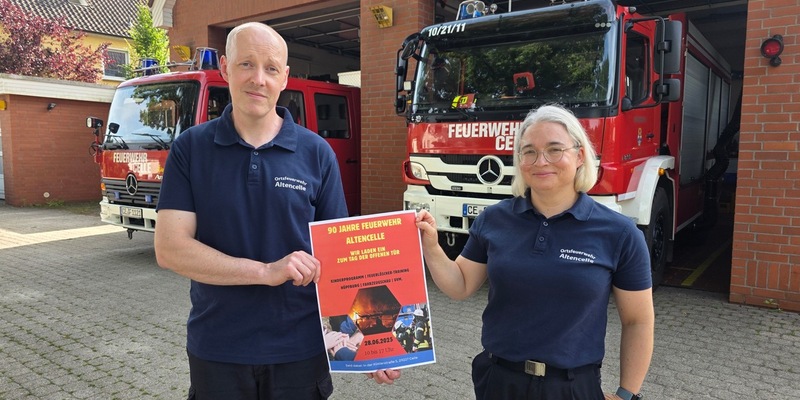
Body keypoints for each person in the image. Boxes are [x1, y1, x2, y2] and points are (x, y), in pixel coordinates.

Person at [153, 22, 398, 400]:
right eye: (246, 64)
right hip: (218, 348)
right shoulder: (191, 149)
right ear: (225, 68)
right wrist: (266, 272)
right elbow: (170, 249)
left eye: (270, 68)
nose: (258, 79)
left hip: (300, 351)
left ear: (284, 77)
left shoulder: (317, 152)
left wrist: (373, 344)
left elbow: (345, 258)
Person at [415, 104, 654, 400]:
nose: (541, 161)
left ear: (580, 155)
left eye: (555, 149)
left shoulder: (619, 233)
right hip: (500, 382)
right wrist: (432, 246)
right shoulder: (494, 220)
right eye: (529, 151)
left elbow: (638, 321)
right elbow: (461, 284)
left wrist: (627, 394)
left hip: (572, 387)